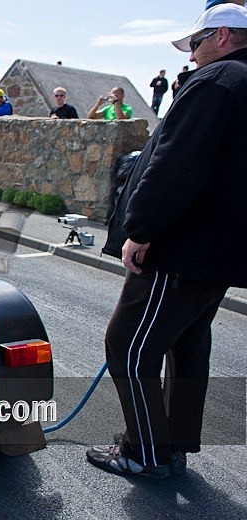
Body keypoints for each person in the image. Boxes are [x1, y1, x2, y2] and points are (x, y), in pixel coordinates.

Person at [89, 3, 247, 479]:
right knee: (187, 343)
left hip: (181, 247)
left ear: (221, 36)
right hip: (221, 250)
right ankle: (172, 444)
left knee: (128, 348)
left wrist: (143, 229)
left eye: (195, 44)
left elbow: (178, 163)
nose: (192, 56)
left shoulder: (217, 82)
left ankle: (145, 453)